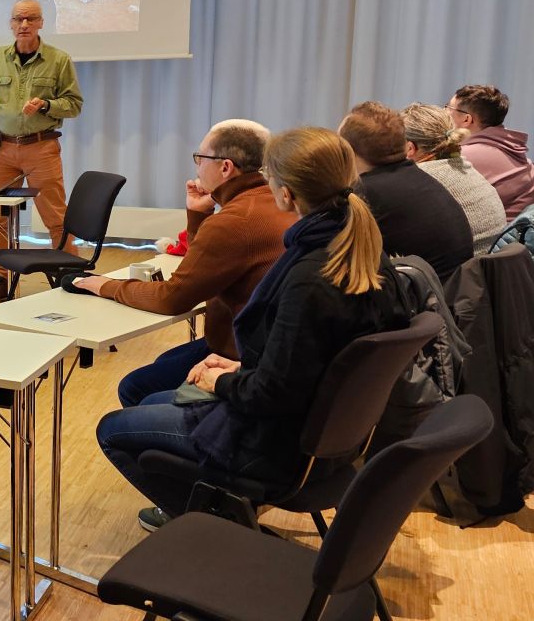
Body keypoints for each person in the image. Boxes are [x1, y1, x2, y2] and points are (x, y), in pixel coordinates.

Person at [97, 127, 411, 530]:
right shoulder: (360, 250)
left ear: (286, 195)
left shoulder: (309, 277)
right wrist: (236, 369)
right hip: (329, 440)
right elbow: (301, 367)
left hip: (275, 443)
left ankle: (219, 524)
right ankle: (212, 504)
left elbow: (272, 393)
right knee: (153, 394)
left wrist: (220, 381)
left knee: (112, 429)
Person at [73, 121, 296, 407]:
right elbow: (201, 265)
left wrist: (105, 285)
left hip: (240, 354)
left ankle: (188, 444)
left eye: (200, 159)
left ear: (225, 167)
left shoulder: (234, 220)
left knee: (135, 387)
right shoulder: (273, 201)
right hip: (264, 345)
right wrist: (197, 215)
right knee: (164, 362)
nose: (197, 167)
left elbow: (173, 298)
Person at [0, 0, 83, 304]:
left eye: (30, 19)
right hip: (2, 151)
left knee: (56, 217)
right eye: (18, 19)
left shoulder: (59, 60)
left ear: (41, 23)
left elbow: (74, 105)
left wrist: (46, 105)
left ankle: (67, 276)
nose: (24, 25)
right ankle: (0, 279)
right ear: (10, 23)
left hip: (41, 148)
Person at [339, 101, 474, 282]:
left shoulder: (364, 195)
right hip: (449, 299)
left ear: (348, 151)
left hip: (422, 304)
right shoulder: (420, 179)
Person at [401, 103, 507, 252]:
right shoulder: (465, 167)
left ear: (409, 148)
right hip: (487, 268)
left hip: (457, 271)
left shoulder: (417, 180)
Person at [450, 85, 534, 221]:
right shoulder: (514, 149)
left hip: (492, 239)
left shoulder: (462, 157)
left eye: (449, 108)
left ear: (467, 119)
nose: (445, 113)